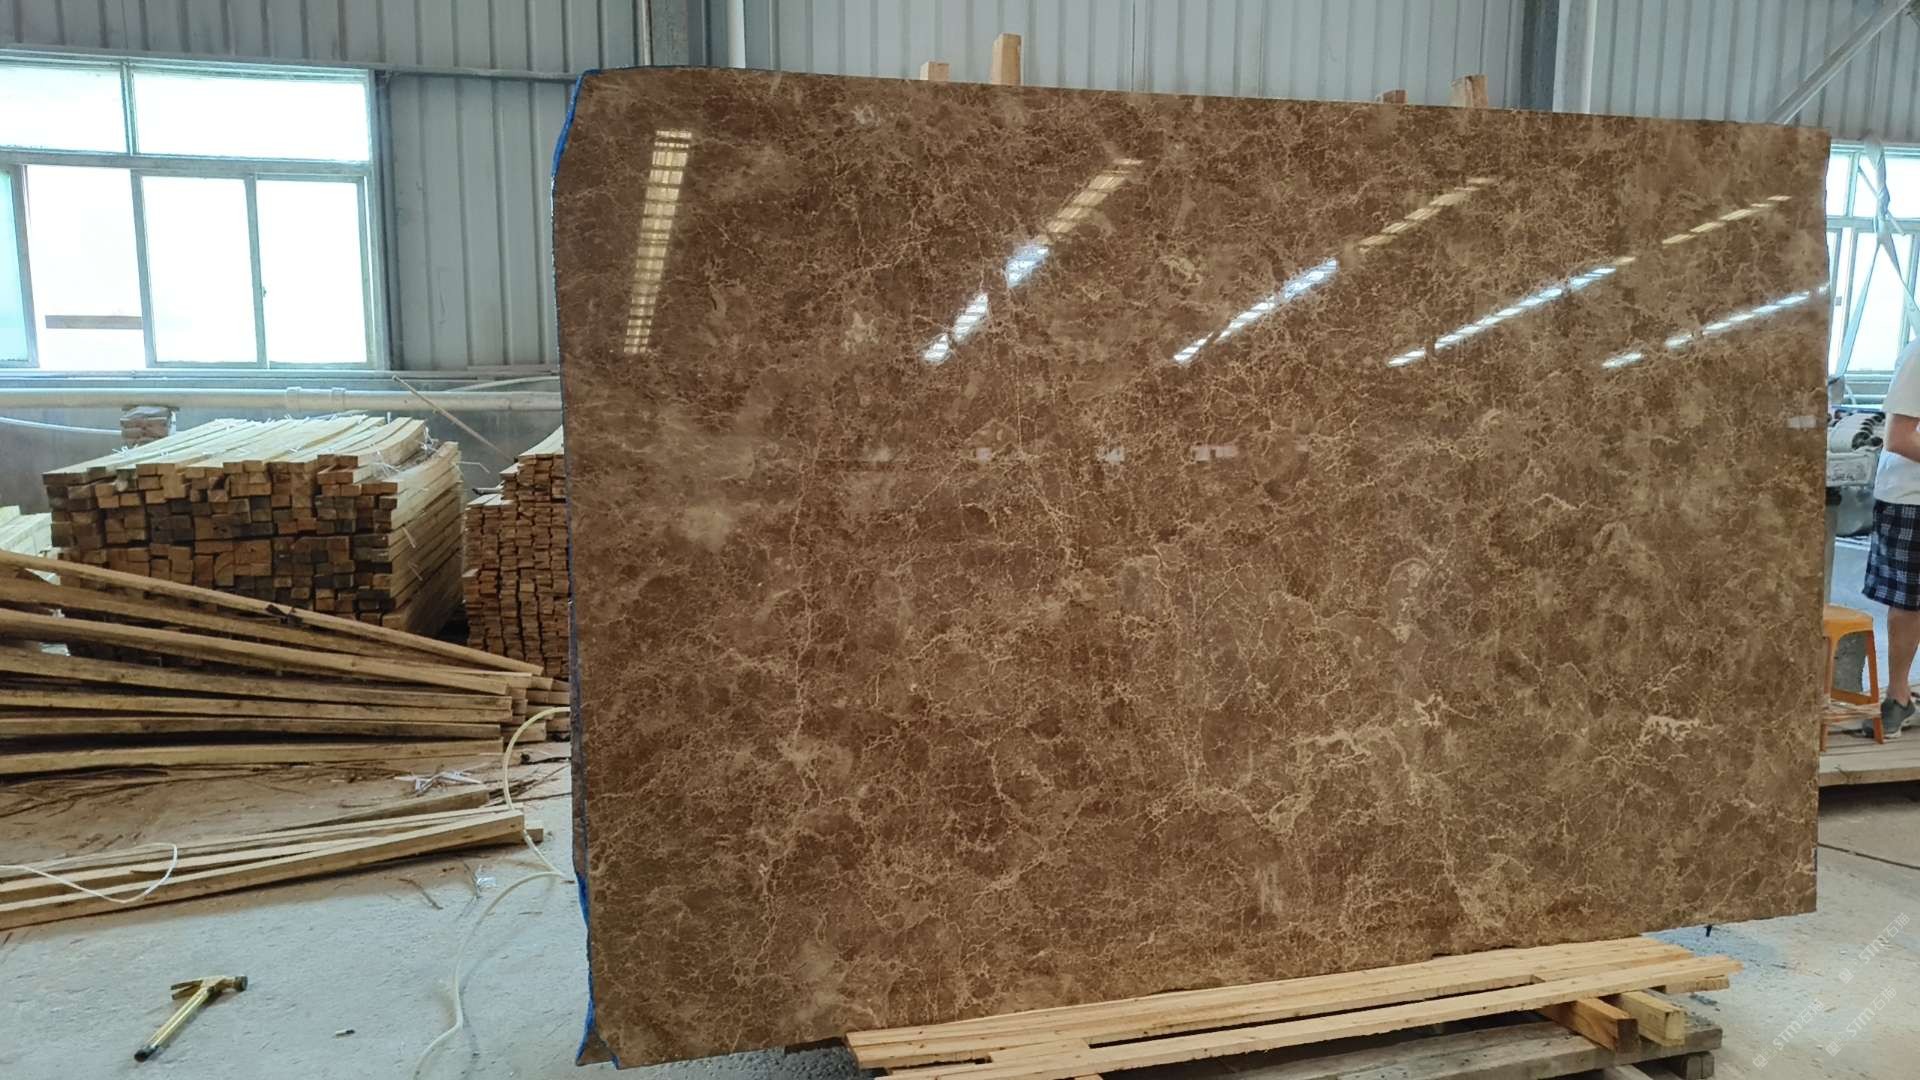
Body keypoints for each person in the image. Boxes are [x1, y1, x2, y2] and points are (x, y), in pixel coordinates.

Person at [1862, 338, 1920, 738]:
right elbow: (1898, 437)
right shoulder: (1919, 355)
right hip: (1911, 498)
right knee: (1908, 602)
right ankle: (1898, 696)